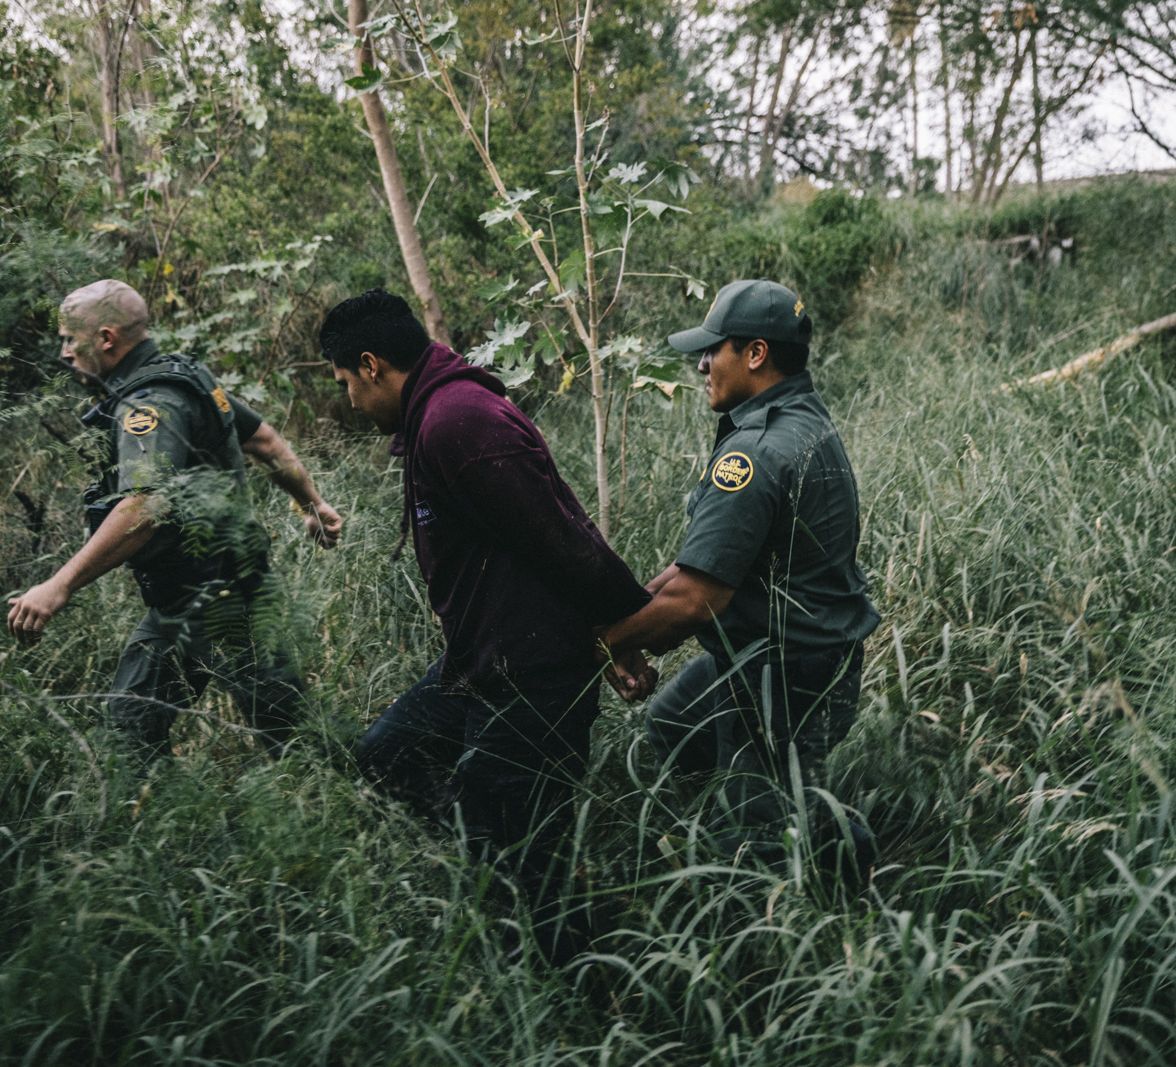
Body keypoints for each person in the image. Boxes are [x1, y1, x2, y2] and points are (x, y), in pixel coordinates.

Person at [327, 288, 653, 965]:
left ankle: (585, 993)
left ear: (372, 363)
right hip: (481, 661)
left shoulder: (458, 421)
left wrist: (621, 630)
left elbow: (563, 538)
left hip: (533, 675)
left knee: (533, 868)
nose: (350, 400)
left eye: (346, 383)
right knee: (386, 754)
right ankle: (493, 850)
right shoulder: (433, 417)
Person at [597, 279, 880, 879]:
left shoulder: (754, 454)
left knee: (759, 842)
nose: (701, 363)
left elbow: (695, 601)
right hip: (779, 652)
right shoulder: (801, 419)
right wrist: (621, 625)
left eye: (713, 348)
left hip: (787, 672)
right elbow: (697, 569)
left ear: (755, 354)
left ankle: (825, 871)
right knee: (675, 723)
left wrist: (600, 642)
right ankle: (769, 807)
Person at [7, 279, 342, 764]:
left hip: (228, 604)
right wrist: (312, 503)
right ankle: (159, 829)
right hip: (181, 600)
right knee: (128, 734)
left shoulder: (151, 403)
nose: (63, 352)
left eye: (69, 340)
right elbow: (265, 441)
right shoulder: (186, 374)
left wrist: (59, 585)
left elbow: (145, 507)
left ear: (106, 339)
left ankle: (381, 805)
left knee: (297, 743)